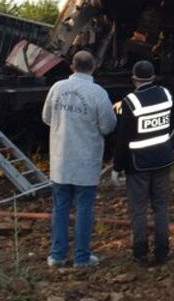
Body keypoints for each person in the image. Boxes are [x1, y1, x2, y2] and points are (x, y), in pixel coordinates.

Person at [42, 50, 117, 268]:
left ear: (72, 66)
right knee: (84, 209)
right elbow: (108, 126)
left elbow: (47, 117)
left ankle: (57, 255)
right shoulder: (98, 93)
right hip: (86, 160)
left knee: (60, 208)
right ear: (94, 67)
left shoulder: (57, 88)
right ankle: (81, 257)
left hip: (60, 160)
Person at [113, 60, 174, 266]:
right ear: (153, 77)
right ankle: (162, 251)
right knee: (161, 208)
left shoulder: (130, 101)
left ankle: (140, 252)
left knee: (138, 209)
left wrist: (117, 167)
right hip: (163, 160)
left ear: (134, 79)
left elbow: (123, 138)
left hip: (138, 164)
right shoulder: (166, 94)